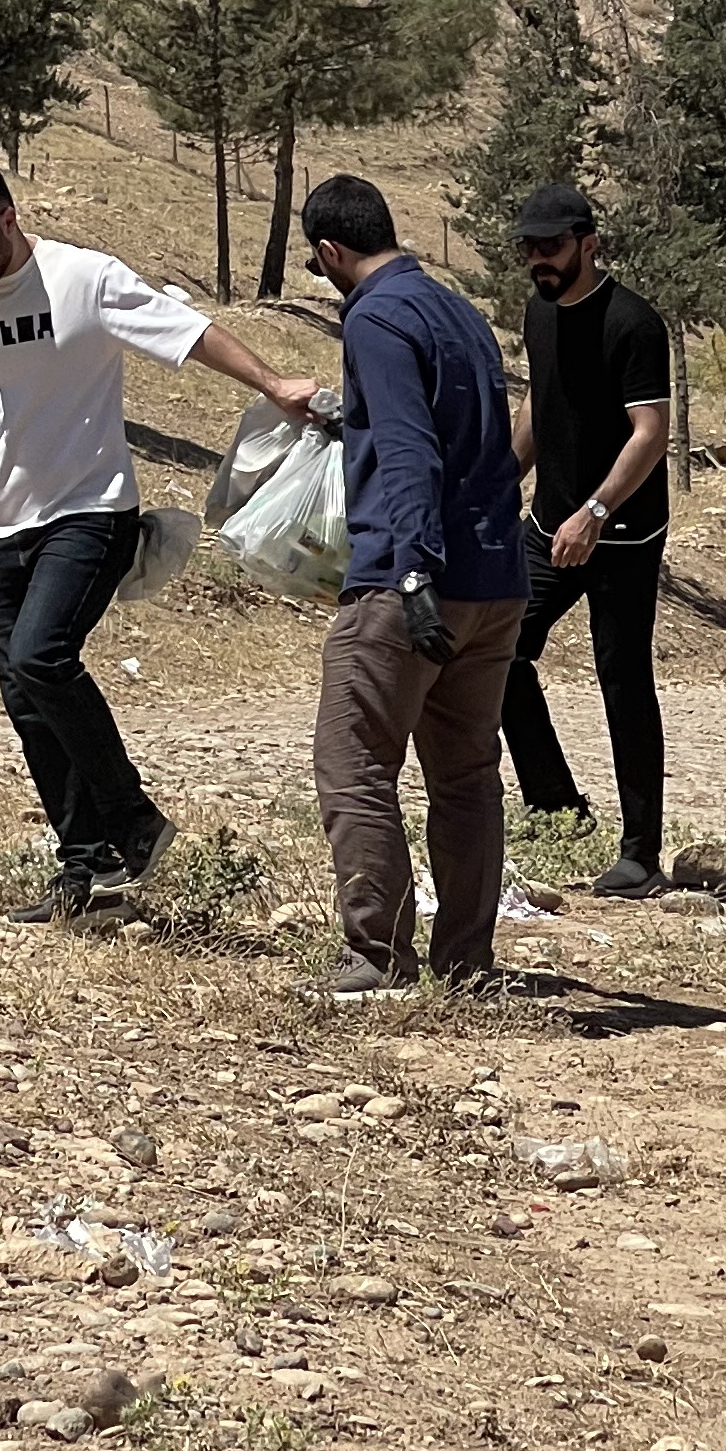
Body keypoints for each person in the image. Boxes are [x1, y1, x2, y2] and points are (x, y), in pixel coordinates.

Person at [0, 155, 323, 923]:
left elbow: (189, 333)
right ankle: (90, 870)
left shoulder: (84, 278)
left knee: (41, 656)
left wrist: (274, 384)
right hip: (7, 524)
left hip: (93, 511)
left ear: (7, 219)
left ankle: (133, 820)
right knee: (25, 697)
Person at [293, 175, 532, 991]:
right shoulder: (459, 311)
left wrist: (413, 566)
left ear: (330, 251)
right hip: (494, 581)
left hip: (415, 582)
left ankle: (376, 955)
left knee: (353, 761)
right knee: (466, 777)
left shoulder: (376, 317)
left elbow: (408, 447)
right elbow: (474, 441)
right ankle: (465, 961)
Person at [497, 181, 677, 896]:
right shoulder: (539, 312)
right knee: (496, 650)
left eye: (551, 246)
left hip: (621, 533)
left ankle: (641, 856)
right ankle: (557, 809)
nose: (538, 259)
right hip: (548, 526)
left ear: (589, 244)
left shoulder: (634, 322)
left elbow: (650, 433)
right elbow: (540, 404)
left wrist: (595, 512)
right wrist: (500, 479)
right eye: (529, 248)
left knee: (623, 680)